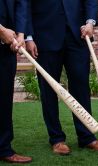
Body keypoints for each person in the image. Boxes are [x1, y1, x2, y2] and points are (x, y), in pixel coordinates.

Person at [25, 0, 98, 155]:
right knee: (49, 90)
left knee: (81, 87)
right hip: (45, 37)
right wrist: (28, 37)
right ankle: (57, 139)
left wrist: (90, 22)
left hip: (77, 36)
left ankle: (87, 137)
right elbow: (25, 4)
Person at [0, 0, 33, 163]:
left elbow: (21, 4)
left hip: (6, 48)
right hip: (3, 33)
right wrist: (1, 30)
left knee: (4, 99)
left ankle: (4, 148)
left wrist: (20, 34)